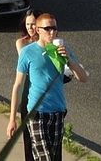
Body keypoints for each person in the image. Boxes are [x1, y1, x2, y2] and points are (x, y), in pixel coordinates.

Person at [7, 13, 88, 160]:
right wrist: (12, 118)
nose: (52, 32)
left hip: (58, 112)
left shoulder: (63, 49)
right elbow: (17, 85)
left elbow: (83, 78)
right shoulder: (27, 52)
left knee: (53, 156)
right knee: (46, 158)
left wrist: (68, 60)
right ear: (38, 30)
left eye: (54, 29)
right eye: (47, 29)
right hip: (36, 113)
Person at [15, 10, 42, 161]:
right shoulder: (22, 43)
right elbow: (27, 63)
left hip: (44, 93)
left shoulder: (47, 42)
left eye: (33, 24)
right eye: (27, 24)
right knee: (28, 135)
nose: (30, 27)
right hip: (29, 89)